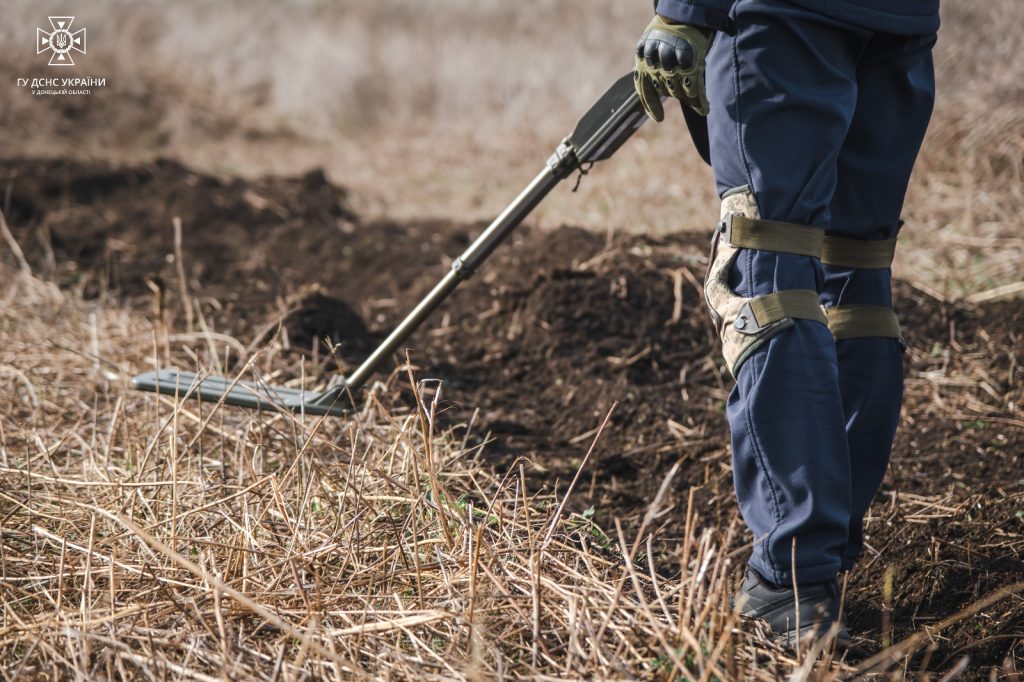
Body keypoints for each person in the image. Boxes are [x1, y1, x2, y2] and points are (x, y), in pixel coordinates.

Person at [633, 0, 939, 647]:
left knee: (767, 266)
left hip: (784, 17)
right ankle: (822, 560)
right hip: (901, 24)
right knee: (858, 272)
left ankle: (791, 579)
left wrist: (684, 11)